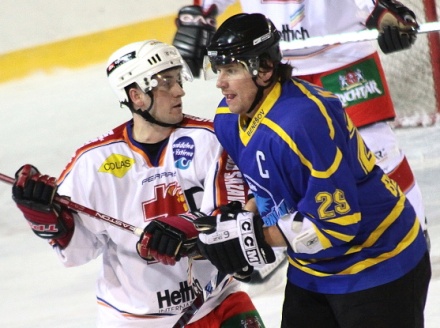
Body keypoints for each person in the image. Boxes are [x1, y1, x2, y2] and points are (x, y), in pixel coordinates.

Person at [193, 13, 431, 328]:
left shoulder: (303, 122)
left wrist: (257, 239)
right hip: (313, 269)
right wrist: (241, 220)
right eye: (219, 69)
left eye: (232, 70)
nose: (221, 82)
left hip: (379, 262)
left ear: (264, 69)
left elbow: (337, 226)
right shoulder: (229, 118)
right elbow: (264, 184)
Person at [10, 40, 265, 327]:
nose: (179, 90)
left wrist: (185, 226)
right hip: (135, 320)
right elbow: (76, 252)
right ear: (137, 96)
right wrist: (45, 216)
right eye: (166, 82)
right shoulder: (92, 163)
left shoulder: (211, 139)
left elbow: (231, 212)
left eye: (178, 79)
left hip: (217, 301)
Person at [172, 0, 430, 247]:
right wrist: (200, 11)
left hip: (343, 56)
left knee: (378, 152)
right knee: (270, 163)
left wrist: (380, 8)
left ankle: (414, 229)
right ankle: (286, 230)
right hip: (267, 65)